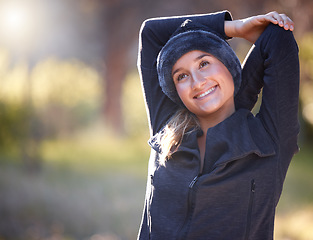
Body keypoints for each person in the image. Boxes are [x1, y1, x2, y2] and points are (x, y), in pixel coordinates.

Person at [137, 10, 299, 240]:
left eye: (204, 63)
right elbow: (150, 32)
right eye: (181, 76)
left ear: (228, 65)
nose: (197, 82)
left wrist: (240, 28)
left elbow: (277, 36)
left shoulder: (270, 139)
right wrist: (234, 28)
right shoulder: (166, 129)